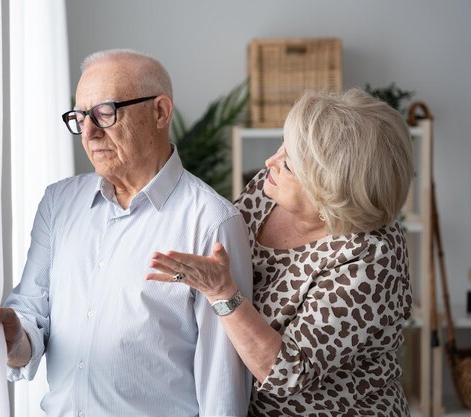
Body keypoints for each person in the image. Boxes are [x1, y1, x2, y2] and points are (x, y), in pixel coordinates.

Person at [0, 49, 253, 417]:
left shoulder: (211, 222)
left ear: (160, 112)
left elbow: (222, 383)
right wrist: (13, 339)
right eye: (80, 116)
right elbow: (32, 316)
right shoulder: (58, 203)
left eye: (105, 112)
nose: (89, 132)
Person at [147, 88, 414, 416]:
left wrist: (222, 292)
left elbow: (287, 372)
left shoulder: (370, 259)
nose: (269, 162)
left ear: (329, 191)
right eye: (283, 147)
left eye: (288, 164)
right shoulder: (268, 189)